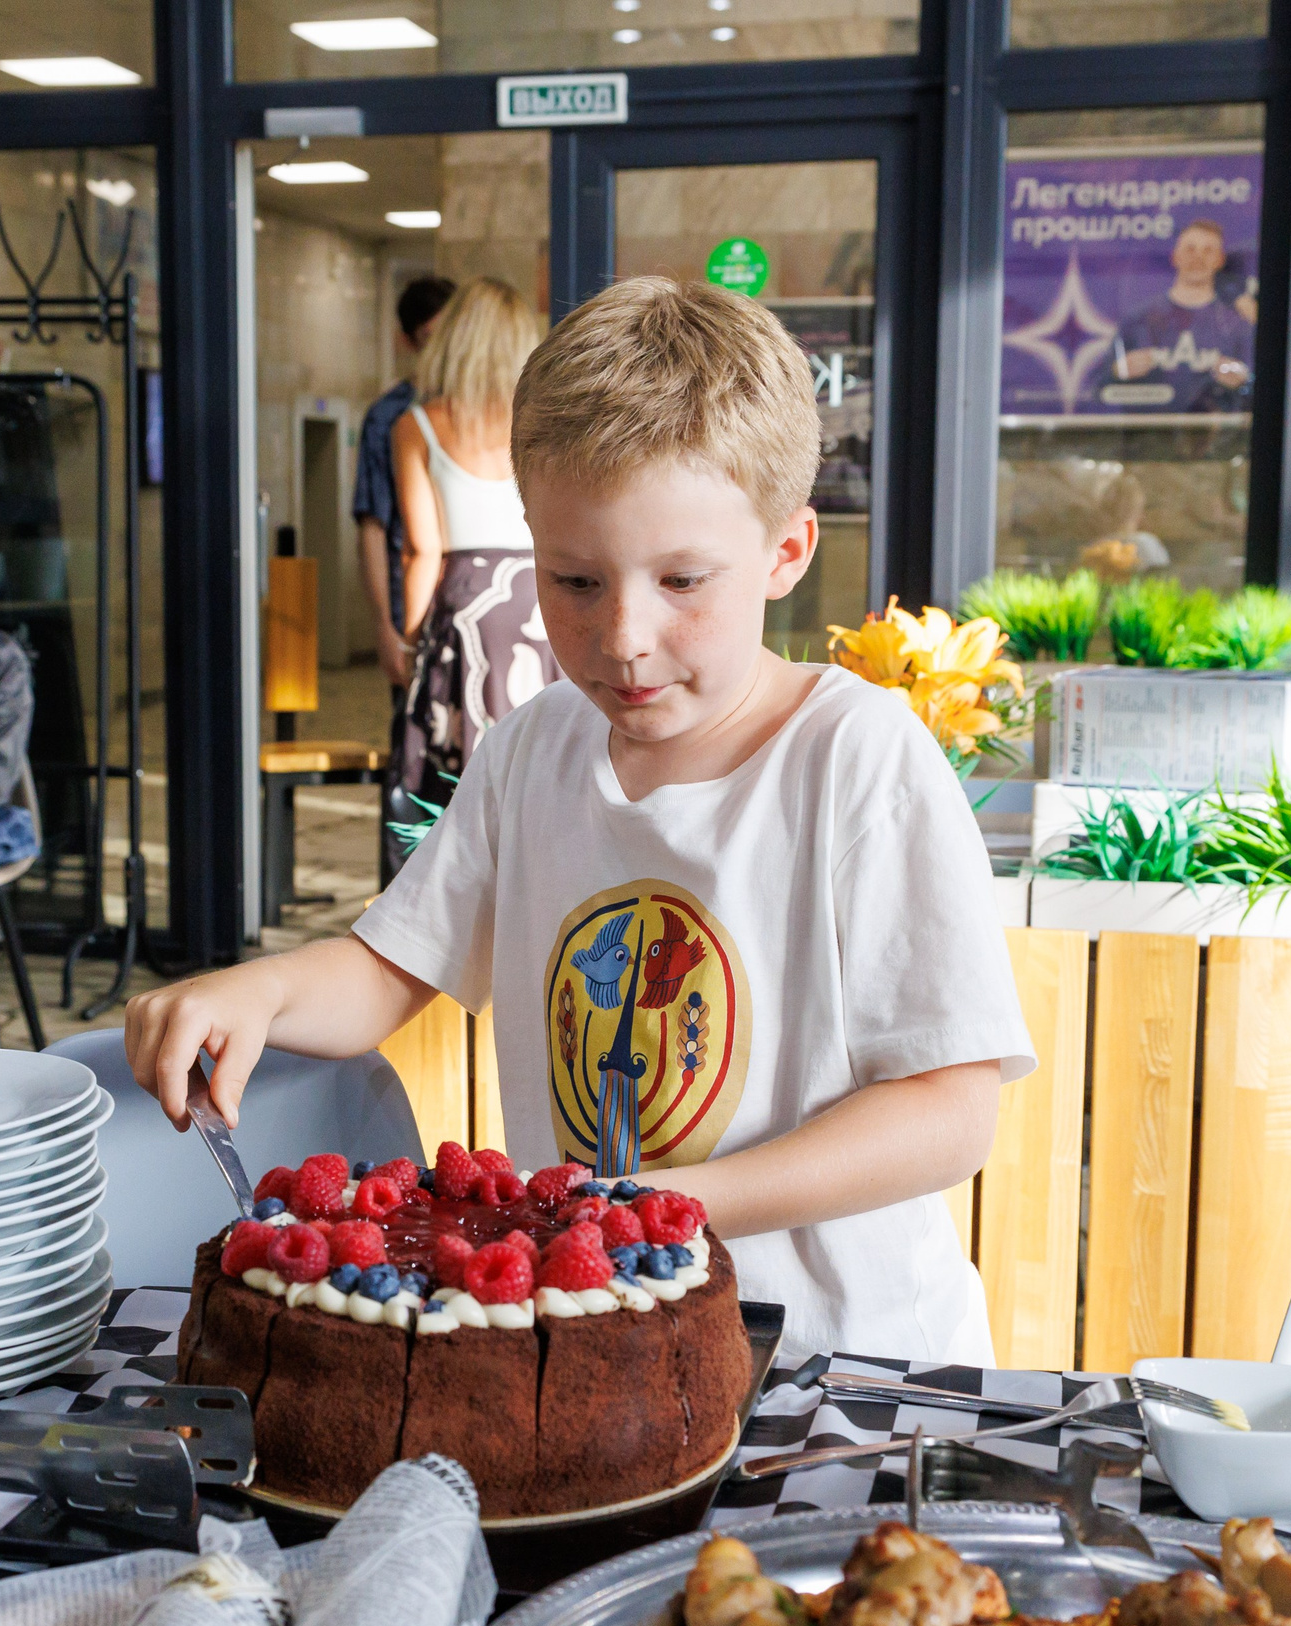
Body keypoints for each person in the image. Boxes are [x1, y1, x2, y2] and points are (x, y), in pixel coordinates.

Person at [128, 276, 1034, 1363]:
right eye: (574, 580)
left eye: (682, 579)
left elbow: (948, 1109)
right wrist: (260, 987)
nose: (625, 635)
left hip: (843, 1361)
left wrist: (660, 1204)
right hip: (602, 1353)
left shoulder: (858, 758)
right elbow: (390, 968)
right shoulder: (529, 749)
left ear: (787, 552)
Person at [385, 276, 557, 866]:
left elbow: (422, 551)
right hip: (538, 606)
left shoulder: (419, 426)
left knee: (450, 780)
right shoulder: (543, 423)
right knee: (539, 769)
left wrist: (408, 638)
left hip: (465, 613)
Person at [353, 275, 456, 692]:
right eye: (430, 335)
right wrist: (384, 627)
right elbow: (373, 526)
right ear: (408, 340)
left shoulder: (487, 408)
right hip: (412, 602)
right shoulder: (388, 417)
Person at [1104, 219, 1256, 417]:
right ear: (1175, 256)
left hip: (1218, 442)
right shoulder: (1139, 320)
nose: (1198, 258)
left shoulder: (1238, 324)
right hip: (1146, 441)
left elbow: (1261, 392)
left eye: (1208, 251)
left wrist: (1242, 382)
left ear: (1220, 260)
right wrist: (1118, 373)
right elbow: (1098, 390)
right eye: (1190, 249)